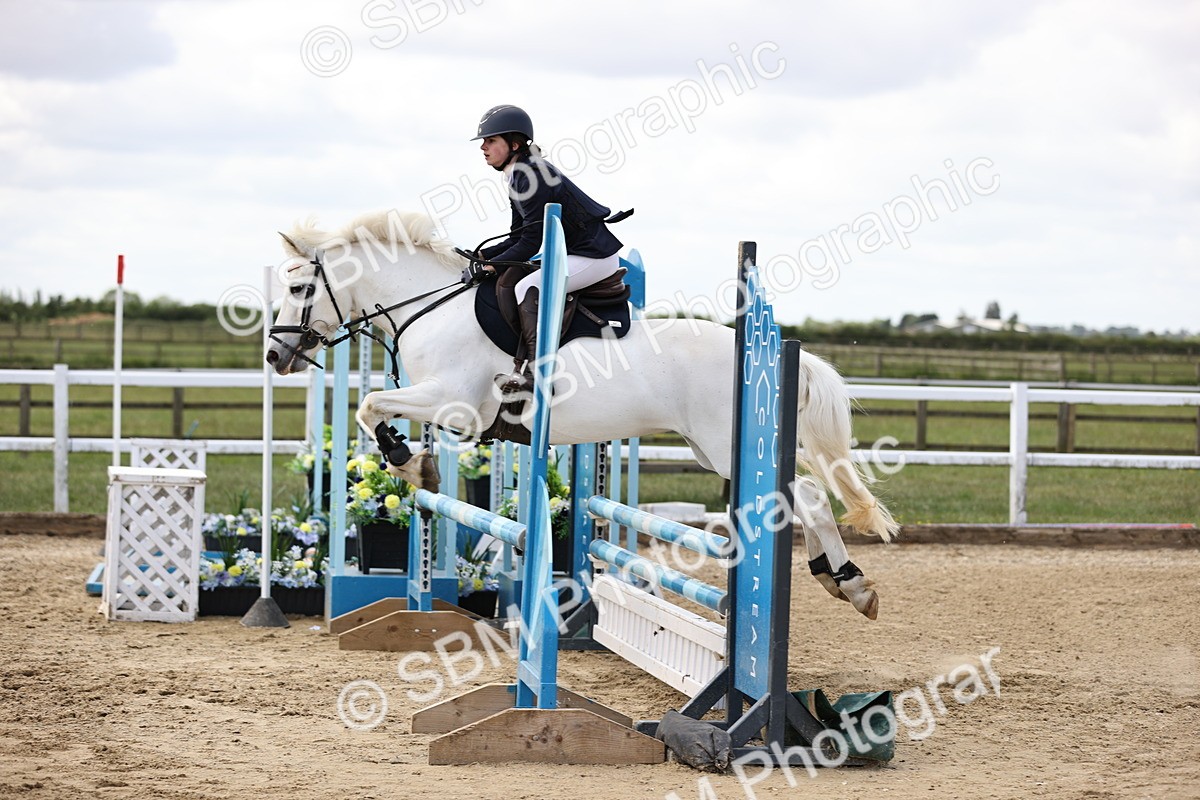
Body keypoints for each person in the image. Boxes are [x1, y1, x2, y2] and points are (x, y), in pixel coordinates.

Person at [467, 104, 626, 392]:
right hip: (576, 254)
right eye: (483, 142)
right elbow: (519, 236)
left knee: (527, 287)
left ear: (514, 144)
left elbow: (530, 243)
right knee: (515, 280)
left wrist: (492, 265)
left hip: (593, 257)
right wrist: (481, 256)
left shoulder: (530, 174)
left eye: (491, 141)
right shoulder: (519, 173)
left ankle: (539, 373)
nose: (483, 147)